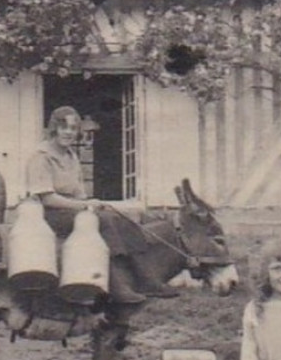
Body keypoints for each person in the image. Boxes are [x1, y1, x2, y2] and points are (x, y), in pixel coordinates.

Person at [23, 105, 174, 305]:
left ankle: (145, 277)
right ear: (53, 129)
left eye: (73, 128)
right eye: (63, 127)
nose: (69, 132)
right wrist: (84, 207)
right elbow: (47, 198)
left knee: (119, 219)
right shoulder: (41, 157)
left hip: (72, 211)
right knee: (103, 222)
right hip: (48, 215)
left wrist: (90, 203)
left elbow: (79, 194)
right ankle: (118, 285)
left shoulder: (71, 157)